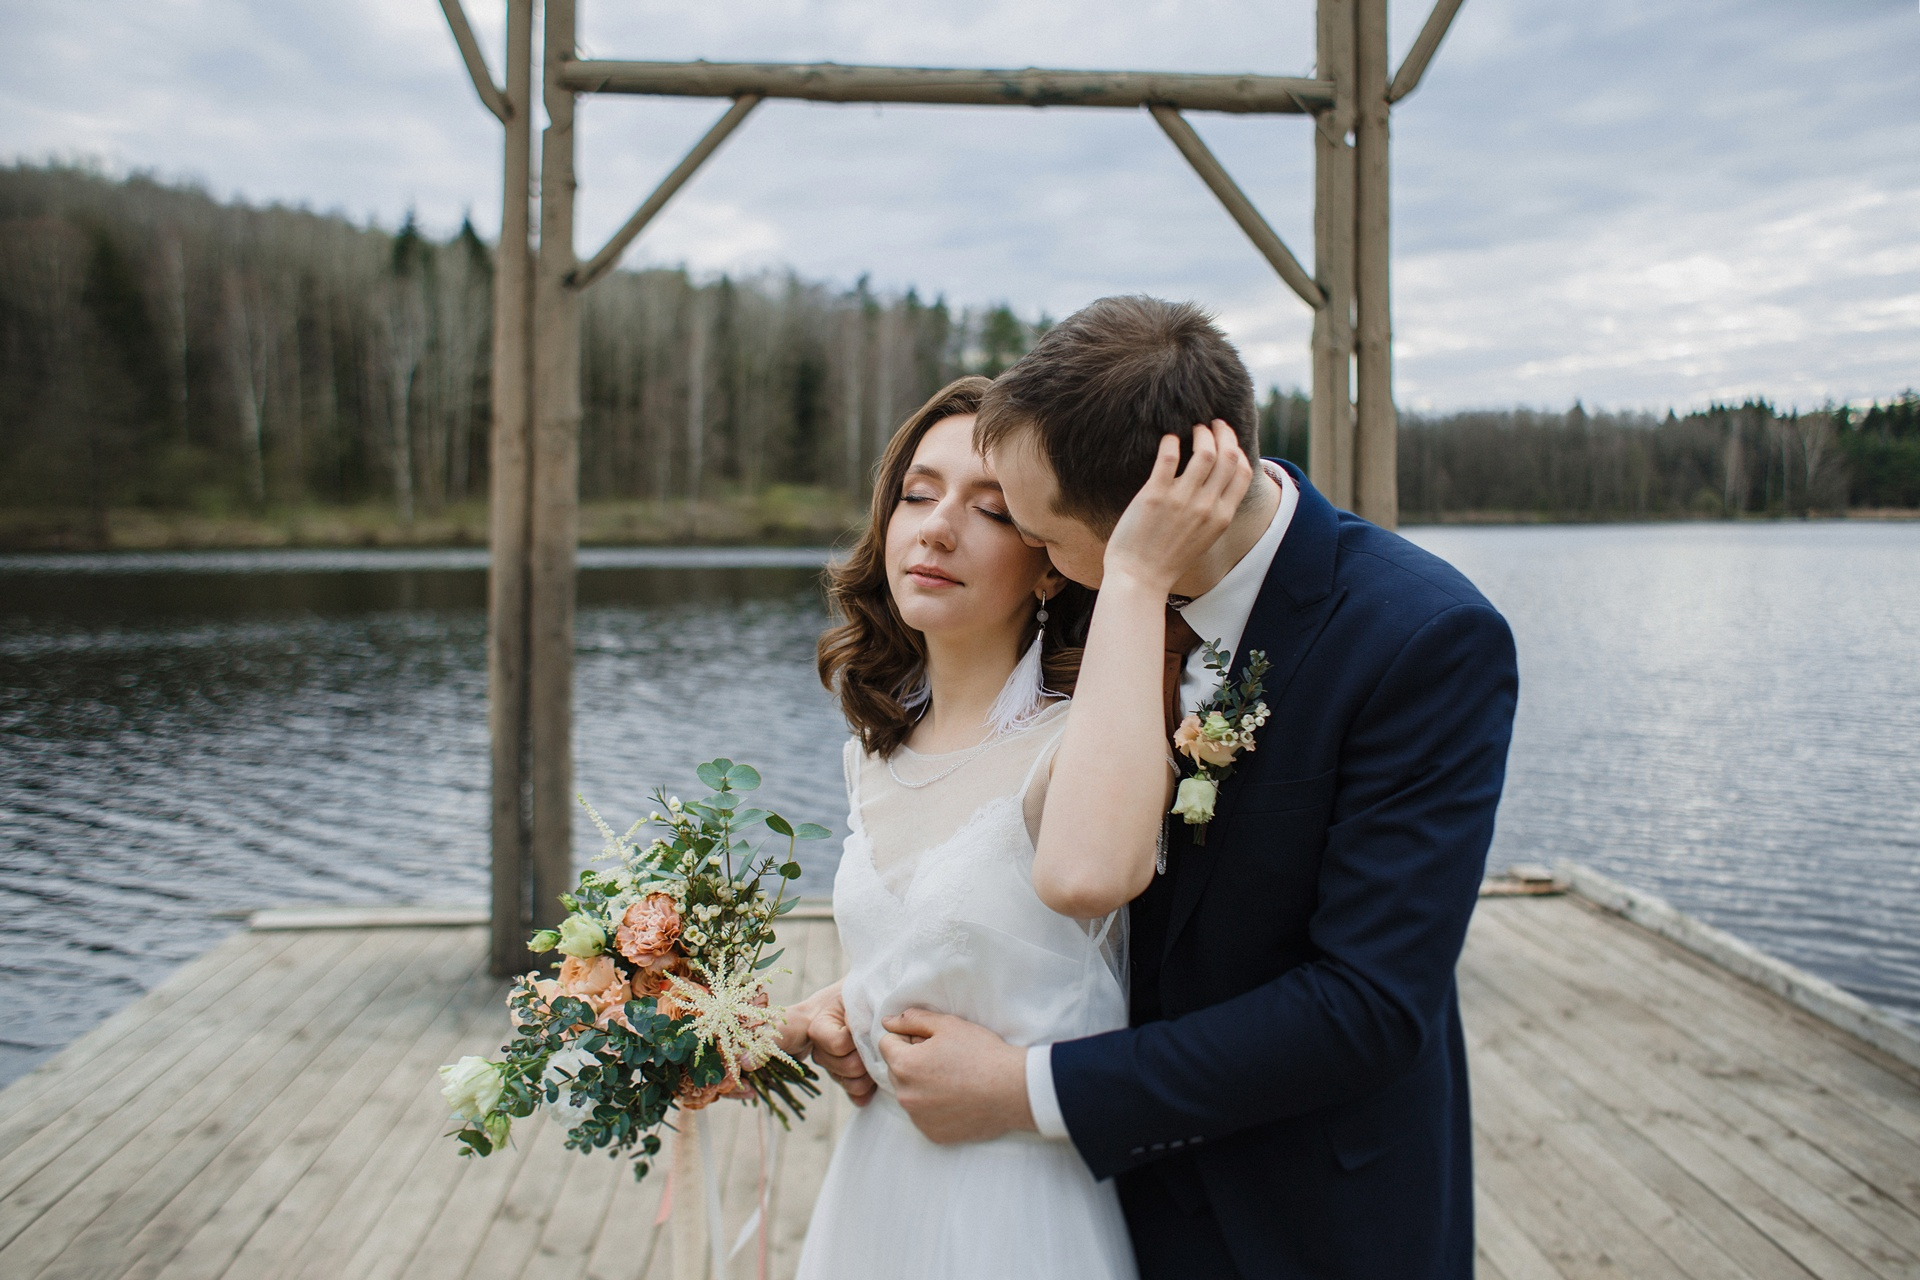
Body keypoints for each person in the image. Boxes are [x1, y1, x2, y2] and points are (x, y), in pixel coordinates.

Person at [805, 296, 1519, 1280]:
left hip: (1306, 1218)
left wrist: (1033, 1088)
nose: (1044, 566)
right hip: (1096, 1207)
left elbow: (1367, 1004)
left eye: (1041, 534)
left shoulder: (1420, 638)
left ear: (1152, 511)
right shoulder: (1104, 603)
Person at [780, 374, 1242, 1279]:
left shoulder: (1079, 747)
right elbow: (937, 945)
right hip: (878, 1196)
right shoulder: (869, 752)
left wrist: (1135, 581)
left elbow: (1089, 881)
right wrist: (837, 1007)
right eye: (917, 495)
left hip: (1023, 1213)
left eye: (989, 511)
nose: (936, 528)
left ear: (1047, 559)